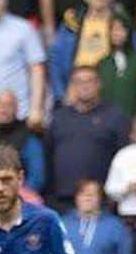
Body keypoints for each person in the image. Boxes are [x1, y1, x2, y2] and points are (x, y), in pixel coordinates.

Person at [47, 65, 130, 208]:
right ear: (72, 86)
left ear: (99, 84)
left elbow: (126, 157)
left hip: (102, 201)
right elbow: (47, 155)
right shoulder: (58, 117)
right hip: (62, 201)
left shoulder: (115, 116)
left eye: (89, 81)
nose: (84, 86)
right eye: (79, 82)